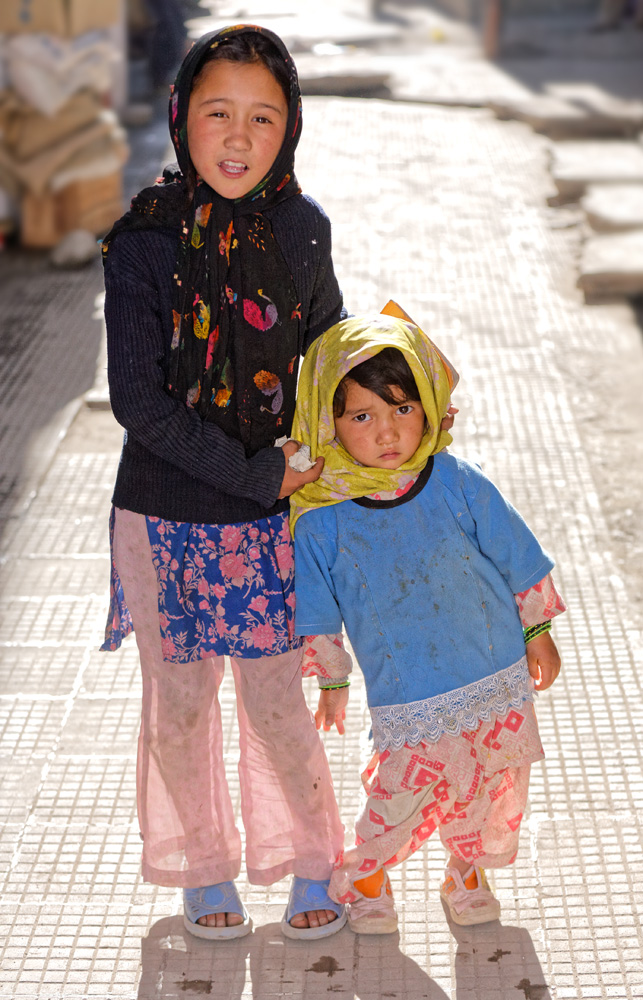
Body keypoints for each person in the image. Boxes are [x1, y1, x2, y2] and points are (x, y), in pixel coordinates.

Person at [100, 24, 352, 941]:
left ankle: (311, 859)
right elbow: (140, 402)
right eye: (217, 114)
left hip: (273, 524)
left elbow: (329, 356)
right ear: (180, 118)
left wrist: (396, 404)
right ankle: (202, 866)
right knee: (178, 708)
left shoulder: (303, 229)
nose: (238, 139)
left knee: (281, 706)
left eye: (262, 117)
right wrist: (255, 473)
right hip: (166, 518)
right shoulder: (143, 244)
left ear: (289, 128)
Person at [290, 310, 565, 935]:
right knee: (401, 790)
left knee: (490, 780)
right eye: (362, 417)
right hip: (410, 688)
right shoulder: (322, 520)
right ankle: (368, 874)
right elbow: (319, 615)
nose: (386, 432)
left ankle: (465, 871)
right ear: (328, 424)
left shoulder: (458, 482)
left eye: (402, 409)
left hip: (493, 671)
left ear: (431, 406)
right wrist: (333, 683)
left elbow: (517, 555)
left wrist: (537, 631)